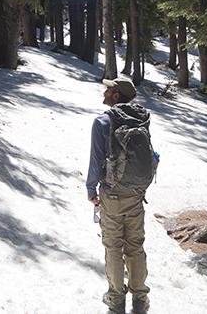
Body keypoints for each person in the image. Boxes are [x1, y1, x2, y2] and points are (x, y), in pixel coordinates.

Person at [87, 76, 150, 314]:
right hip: (135, 193)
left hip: (111, 194)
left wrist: (91, 189)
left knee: (113, 247)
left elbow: (95, 160)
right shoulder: (141, 119)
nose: (104, 92)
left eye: (108, 89)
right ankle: (140, 300)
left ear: (116, 95)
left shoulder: (102, 122)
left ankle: (116, 300)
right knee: (135, 246)